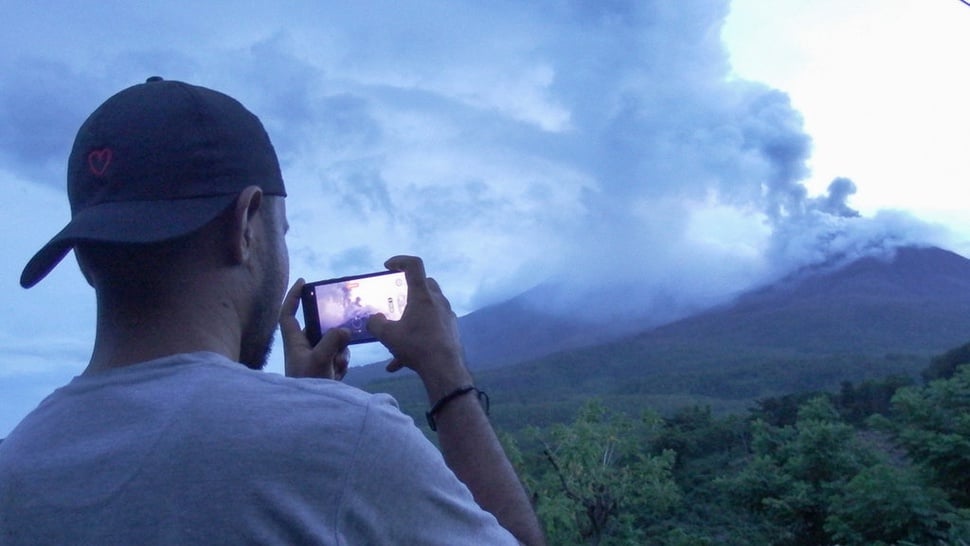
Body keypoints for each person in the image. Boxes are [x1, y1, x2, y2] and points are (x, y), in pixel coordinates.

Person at [0, 77, 545, 545]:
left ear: (85, 259)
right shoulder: (347, 440)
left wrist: (310, 407)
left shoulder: (13, 470)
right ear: (246, 226)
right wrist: (447, 379)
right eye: (279, 232)